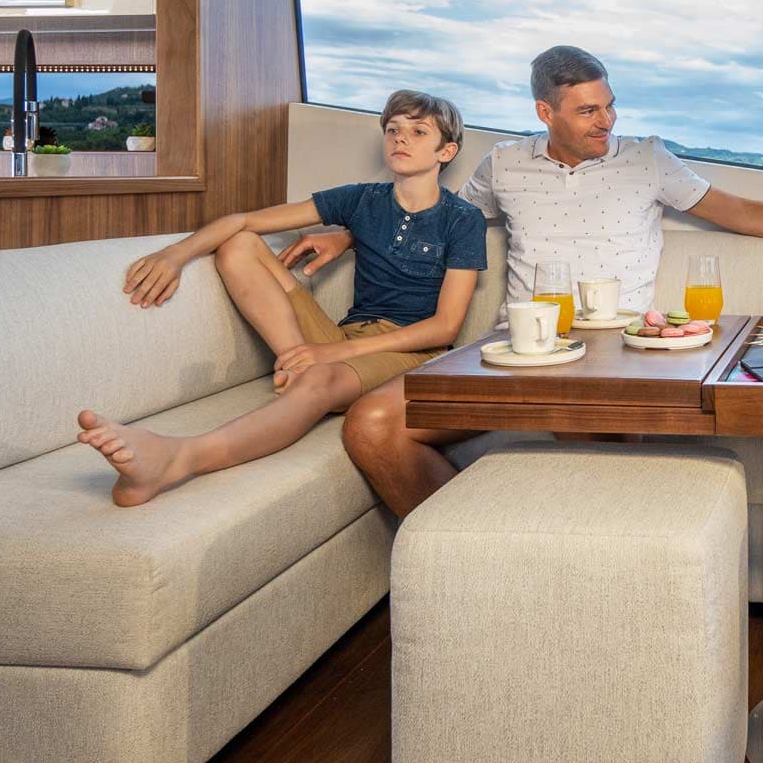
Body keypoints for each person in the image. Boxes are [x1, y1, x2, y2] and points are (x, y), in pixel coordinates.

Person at [340, 45, 763, 517]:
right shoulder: (505, 163)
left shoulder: (646, 158)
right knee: (371, 425)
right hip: (518, 349)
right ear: (545, 112)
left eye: (610, 106)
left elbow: (739, 211)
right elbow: (440, 219)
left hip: (616, 351)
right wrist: (346, 237)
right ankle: (479, 555)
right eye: (588, 110)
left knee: (603, 447)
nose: (607, 121)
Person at [74, 90, 485, 506]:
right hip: (341, 336)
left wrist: (331, 356)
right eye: (393, 130)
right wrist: (176, 254)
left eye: (418, 132)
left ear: (445, 151)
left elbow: (444, 327)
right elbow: (244, 220)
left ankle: (178, 458)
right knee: (239, 244)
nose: (401, 139)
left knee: (323, 374)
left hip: (409, 351)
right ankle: (297, 364)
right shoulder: (361, 199)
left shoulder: (462, 219)